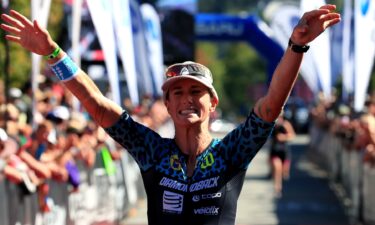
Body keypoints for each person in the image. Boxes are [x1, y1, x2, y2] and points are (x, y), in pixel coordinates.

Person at [1, 5, 340, 225]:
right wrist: (53, 53)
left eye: (195, 92)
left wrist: (296, 47)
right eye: (176, 93)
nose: (186, 99)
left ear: (213, 102)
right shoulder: (154, 151)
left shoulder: (229, 152)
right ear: (167, 104)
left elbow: (270, 106)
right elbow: (98, 105)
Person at [269, 112, 296, 198]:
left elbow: (293, 136)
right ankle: (277, 189)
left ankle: (280, 186)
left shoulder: (286, 124)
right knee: (277, 169)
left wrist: (283, 137)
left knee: (284, 174)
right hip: (274, 151)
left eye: (280, 117)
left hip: (284, 152)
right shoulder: (271, 125)